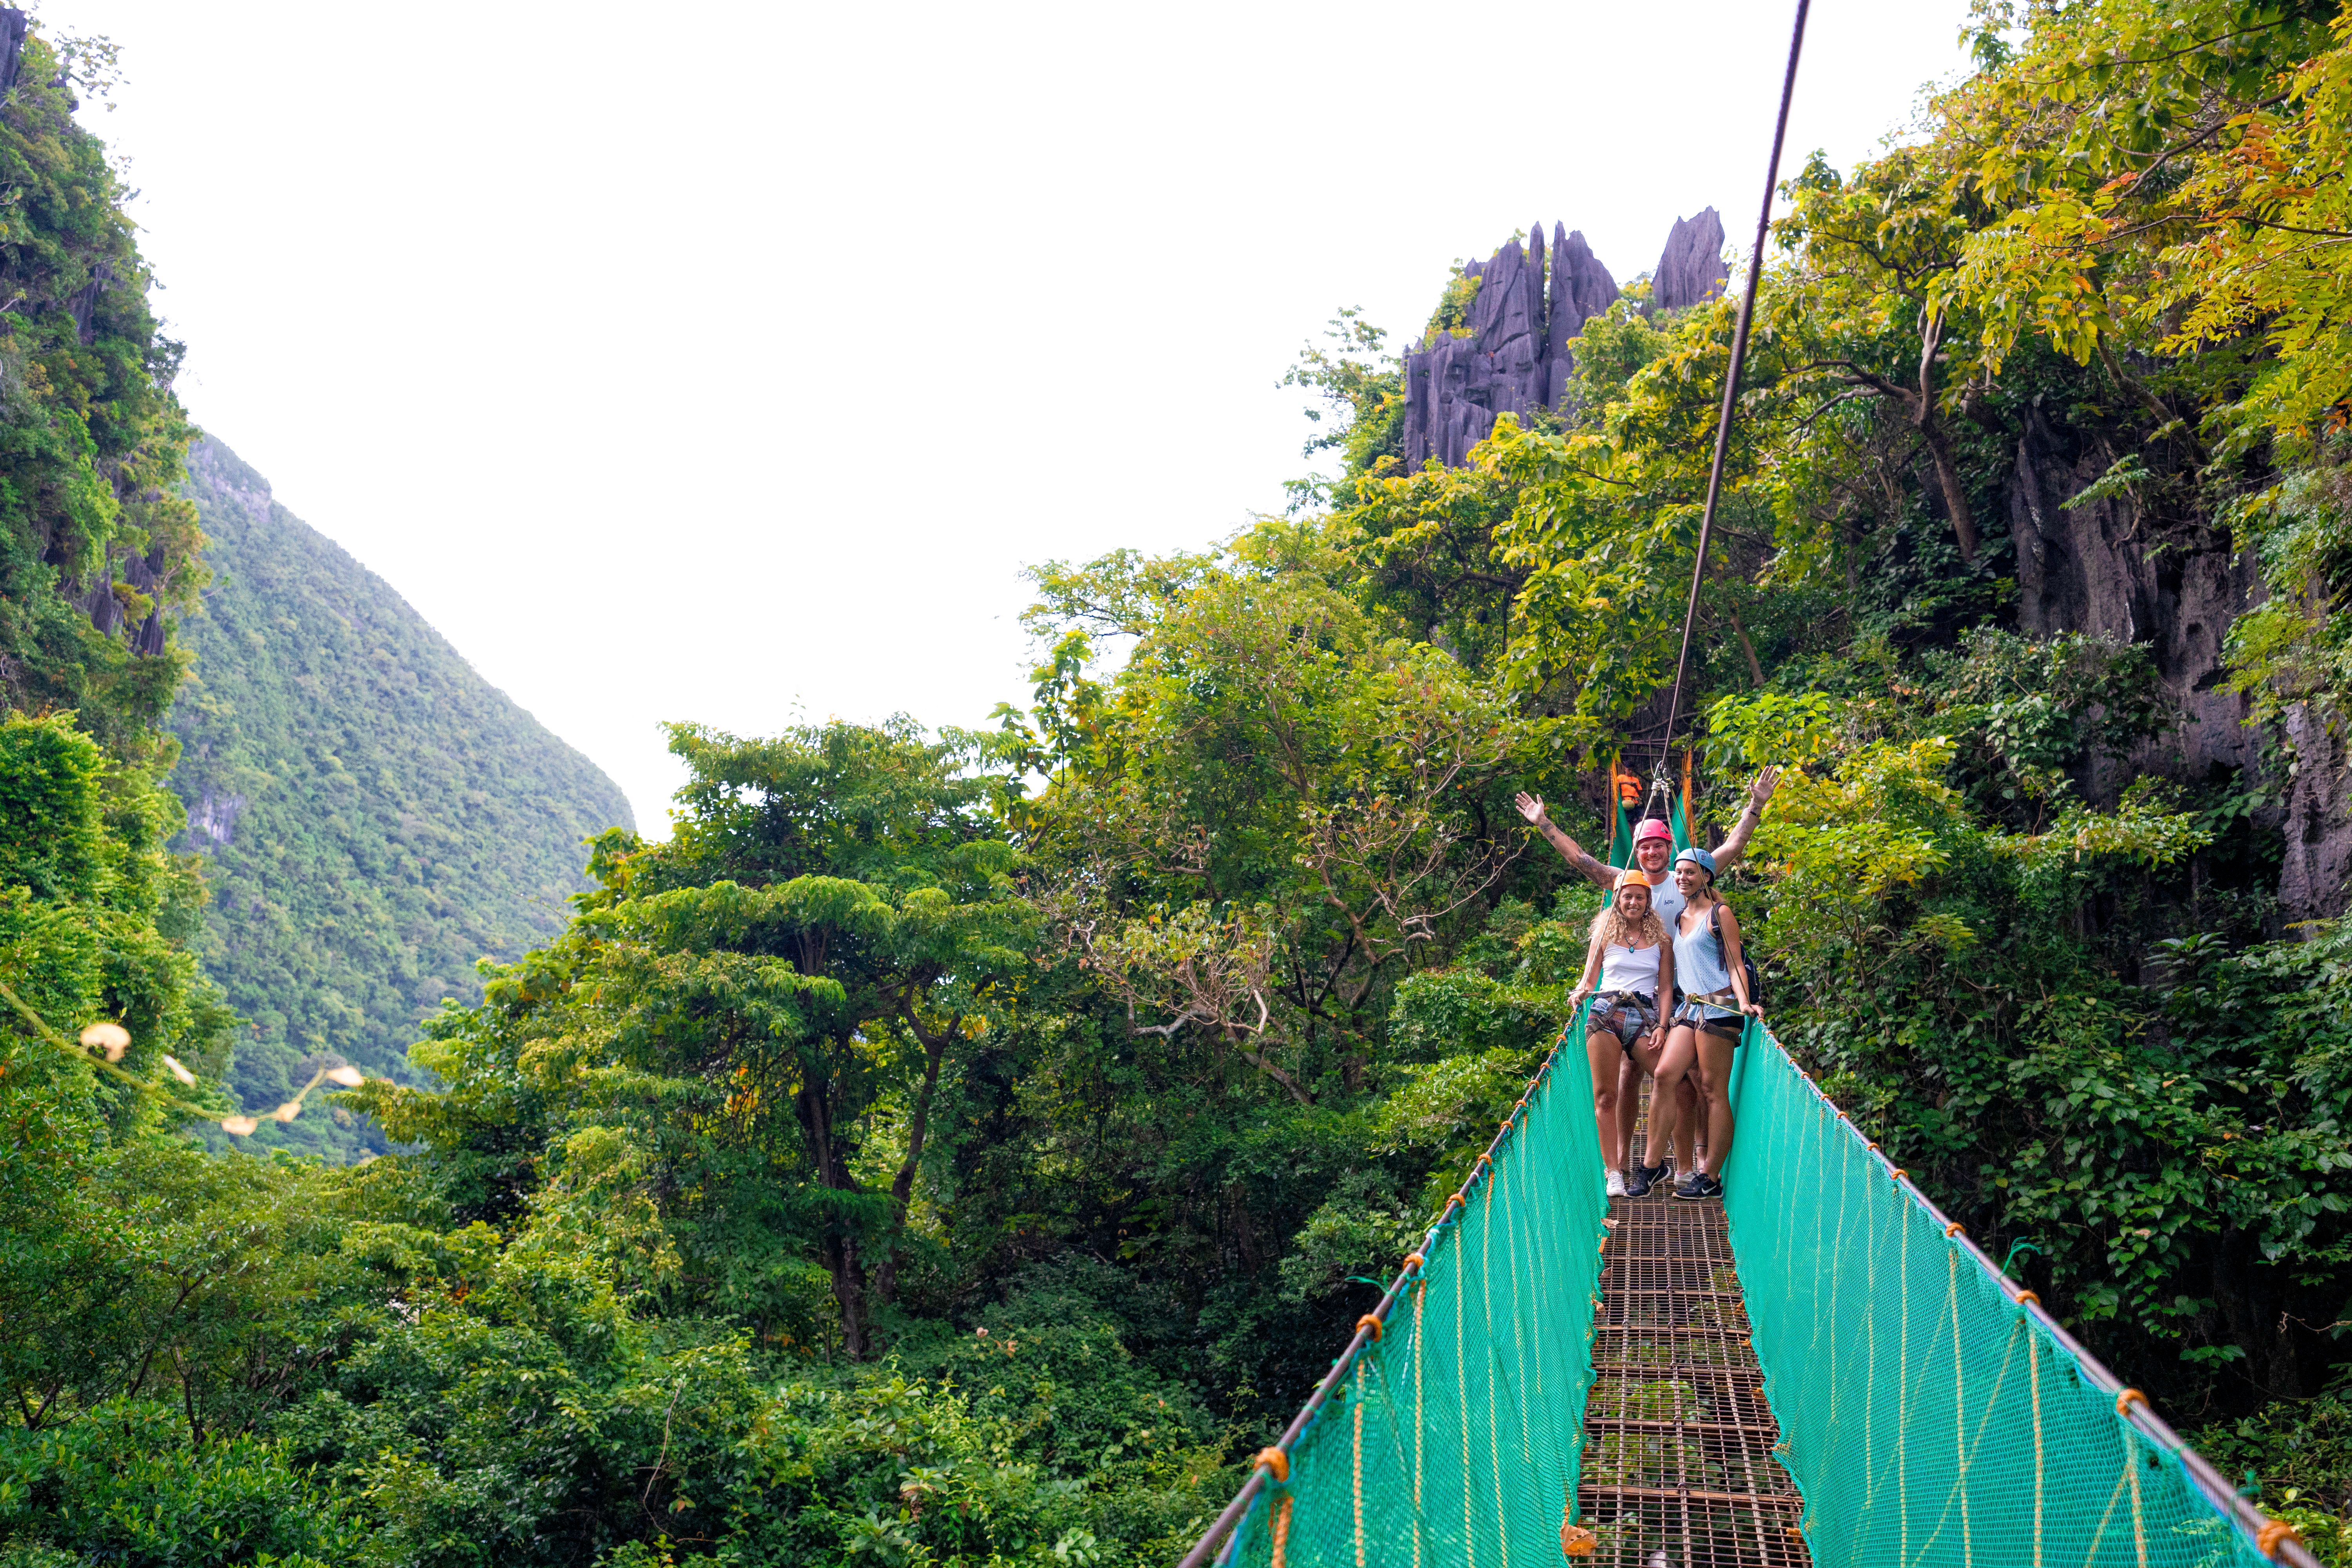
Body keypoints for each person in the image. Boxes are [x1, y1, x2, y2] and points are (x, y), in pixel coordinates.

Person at [1515, 768, 1779, 1176]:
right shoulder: (1625, 883)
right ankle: (1622, 1163)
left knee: (1693, 1080)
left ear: (1670, 848)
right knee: (1629, 1075)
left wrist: (1756, 804)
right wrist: (1543, 823)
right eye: (1645, 847)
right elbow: (1579, 859)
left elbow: (1733, 846)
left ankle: (1690, 1164)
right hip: (1640, 995)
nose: (1652, 853)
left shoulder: (1687, 878)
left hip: (1687, 995)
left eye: (1658, 846)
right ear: (1636, 850)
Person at [1652, 846, 1760, 1201]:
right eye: (1679, 872)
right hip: (1690, 1009)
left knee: (1714, 1091)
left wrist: (1744, 1003)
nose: (1682, 878)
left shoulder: (1720, 913)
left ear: (1707, 877)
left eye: (1690, 872)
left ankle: (1710, 1175)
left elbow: (1735, 964)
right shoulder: (1681, 917)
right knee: (1666, 1074)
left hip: (1719, 1009)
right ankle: (1653, 1164)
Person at [1566, 868, 1676, 1198]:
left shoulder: (1661, 939)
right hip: (1605, 1014)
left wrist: (1662, 1024)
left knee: (1671, 1079)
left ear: (1648, 901)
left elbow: (1667, 987)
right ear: (1618, 900)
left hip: (1644, 1015)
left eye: (1639, 897)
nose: (1633, 902)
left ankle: (1653, 1163)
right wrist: (1580, 992)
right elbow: (1589, 979)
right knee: (1605, 1095)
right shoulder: (1604, 935)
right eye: (1627, 896)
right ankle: (1613, 1170)